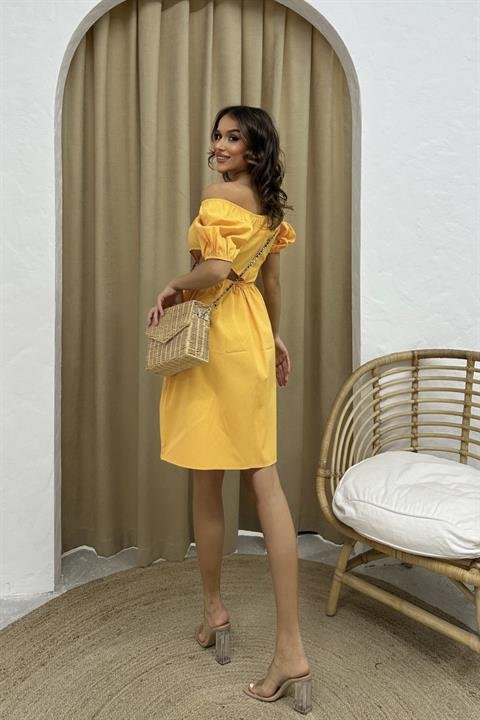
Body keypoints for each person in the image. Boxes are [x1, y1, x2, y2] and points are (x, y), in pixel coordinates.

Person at [147, 105, 312, 710]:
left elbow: (214, 269)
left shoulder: (219, 196)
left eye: (232, 137)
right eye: (216, 136)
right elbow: (269, 284)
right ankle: (272, 638)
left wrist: (173, 285)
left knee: (207, 478)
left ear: (254, 149)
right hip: (250, 336)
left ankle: (223, 613)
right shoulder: (268, 207)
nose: (218, 145)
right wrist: (273, 337)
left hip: (215, 341)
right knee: (263, 479)